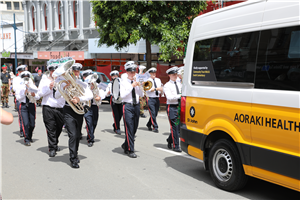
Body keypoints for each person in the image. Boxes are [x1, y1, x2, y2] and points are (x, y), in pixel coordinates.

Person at [54, 61, 93, 168]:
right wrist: (63, 87)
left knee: (77, 135)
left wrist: (79, 98)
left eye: (77, 71)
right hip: (68, 110)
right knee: (73, 135)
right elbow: (57, 96)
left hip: (79, 110)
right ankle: (73, 158)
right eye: (74, 71)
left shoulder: (81, 82)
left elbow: (90, 95)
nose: (76, 73)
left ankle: (75, 153)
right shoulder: (62, 82)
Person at [37, 63, 65, 157]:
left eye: (56, 71)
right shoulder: (44, 80)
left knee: (59, 128)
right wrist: (49, 88)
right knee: (51, 128)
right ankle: (52, 148)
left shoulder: (63, 79)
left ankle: (55, 143)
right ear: (50, 71)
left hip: (60, 108)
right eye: (52, 71)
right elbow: (40, 93)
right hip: (48, 107)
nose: (54, 73)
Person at [120, 61, 144, 158]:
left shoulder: (136, 82)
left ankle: (126, 144)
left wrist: (139, 86)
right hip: (127, 105)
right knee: (129, 127)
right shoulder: (123, 82)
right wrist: (131, 86)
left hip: (136, 106)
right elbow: (122, 95)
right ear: (127, 72)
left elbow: (141, 95)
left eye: (134, 72)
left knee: (134, 128)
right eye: (131, 72)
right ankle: (131, 150)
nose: (132, 74)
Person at [15, 71, 39, 146]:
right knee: (25, 123)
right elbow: (18, 98)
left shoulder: (33, 86)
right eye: (24, 78)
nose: (26, 80)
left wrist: (34, 95)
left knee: (32, 124)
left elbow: (38, 97)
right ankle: (26, 139)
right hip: (23, 105)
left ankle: (29, 136)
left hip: (31, 105)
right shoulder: (20, 87)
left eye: (27, 78)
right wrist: (24, 93)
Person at [82, 70, 106, 147]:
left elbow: (103, 92)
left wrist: (100, 97)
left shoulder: (97, 86)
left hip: (95, 106)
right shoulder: (84, 86)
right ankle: (90, 139)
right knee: (89, 123)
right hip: (87, 106)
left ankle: (91, 134)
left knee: (94, 123)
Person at [164, 66, 182, 152]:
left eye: (176, 74)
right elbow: (169, 97)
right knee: (174, 127)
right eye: (174, 75)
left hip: (179, 106)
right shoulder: (167, 85)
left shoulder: (179, 84)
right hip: (172, 106)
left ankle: (170, 140)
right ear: (169, 75)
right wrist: (179, 96)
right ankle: (176, 146)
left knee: (178, 127)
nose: (176, 76)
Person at [145, 67, 163, 133]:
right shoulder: (147, 81)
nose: (154, 74)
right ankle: (155, 127)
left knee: (155, 113)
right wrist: (157, 89)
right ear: (149, 74)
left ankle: (149, 124)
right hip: (150, 98)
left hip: (157, 98)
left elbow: (160, 87)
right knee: (152, 113)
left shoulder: (158, 80)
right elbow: (149, 90)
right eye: (152, 73)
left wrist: (161, 90)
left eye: (154, 73)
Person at [106, 70, 123, 135]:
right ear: (111, 77)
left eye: (116, 75)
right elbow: (107, 94)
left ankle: (115, 124)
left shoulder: (121, 82)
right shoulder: (110, 84)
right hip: (113, 100)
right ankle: (117, 128)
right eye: (113, 76)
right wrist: (108, 93)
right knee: (116, 115)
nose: (115, 77)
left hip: (120, 100)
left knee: (121, 114)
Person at [13, 65, 26, 137]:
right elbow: (14, 89)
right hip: (19, 98)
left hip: (27, 99)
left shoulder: (27, 78)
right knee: (21, 116)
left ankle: (27, 131)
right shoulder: (16, 79)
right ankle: (22, 130)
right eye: (21, 71)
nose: (22, 72)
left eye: (23, 71)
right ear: (18, 72)